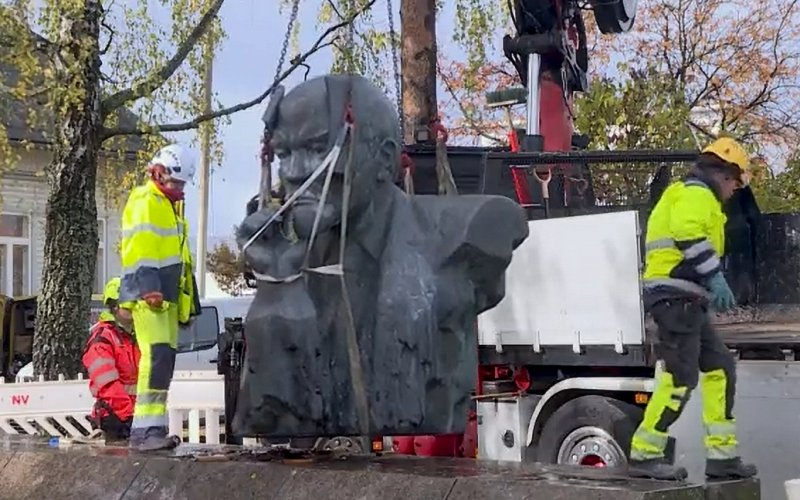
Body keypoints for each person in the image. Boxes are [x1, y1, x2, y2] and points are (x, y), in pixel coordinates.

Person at [629, 137, 758, 480]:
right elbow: (688, 232)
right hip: (675, 298)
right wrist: (715, 276)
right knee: (679, 377)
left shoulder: (687, 194)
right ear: (723, 173)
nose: (735, 189)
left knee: (720, 367)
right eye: (736, 182)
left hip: (685, 299)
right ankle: (644, 456)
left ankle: (722, 458)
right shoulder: (697, 194)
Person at [119, 143, 201, 451]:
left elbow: (181, 261)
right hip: (150, 297)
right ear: (160, 172)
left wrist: (187, 305)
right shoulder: (146, 201)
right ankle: (144, 433)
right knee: (154, 359)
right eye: (176, 182)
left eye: (182, 184)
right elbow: (140, 250)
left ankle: (152, 428)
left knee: (163, 361)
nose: (179, 189)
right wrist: (148, 288)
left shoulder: (169, 206)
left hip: (165, 299)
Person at [83, 277, 139, 443]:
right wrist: (128, 414)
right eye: (128, 304)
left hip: (134, 416)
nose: (134, 307)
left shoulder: (133, 337)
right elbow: (107, 384)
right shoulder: (103, 339)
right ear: (114, 306)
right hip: (115, 420)